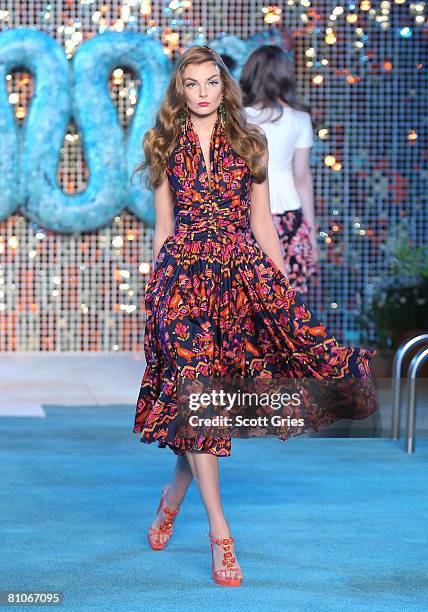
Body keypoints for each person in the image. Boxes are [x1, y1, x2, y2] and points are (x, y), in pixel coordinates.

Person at [131, 45, 378, 588]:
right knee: (199, 394)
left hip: (237, 278)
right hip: (181, 283)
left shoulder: (251, 141)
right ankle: (221, 534)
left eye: (209, 83)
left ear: (224, 86)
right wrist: (156, 290)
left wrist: (281, 286)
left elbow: (262, 221)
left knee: (208, 405)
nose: (201, 93)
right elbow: (163, 225)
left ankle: (172, 500)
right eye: (191, 84)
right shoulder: (164, 142)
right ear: (180, 89)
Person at [241, 45, 318, 294]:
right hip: (288, 215)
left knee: (246, 301)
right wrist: (311, 230)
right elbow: (302, 177)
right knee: (288, 300)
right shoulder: (299, 119)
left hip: (245, 213)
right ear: (285, 76)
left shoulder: (238, 118)